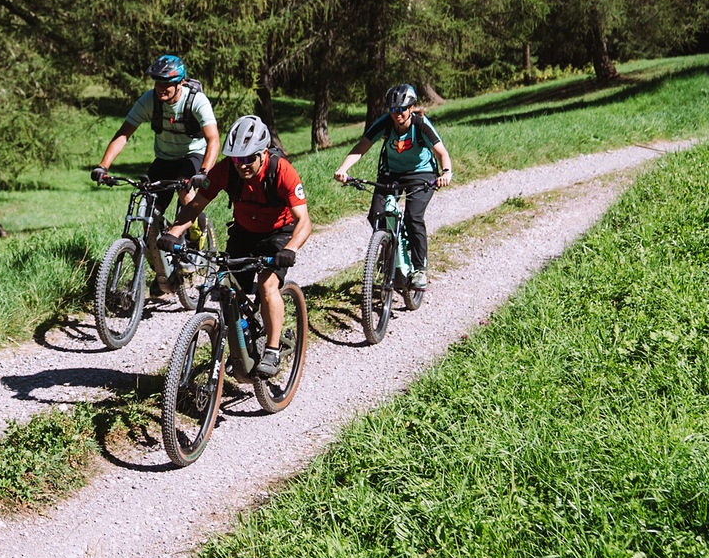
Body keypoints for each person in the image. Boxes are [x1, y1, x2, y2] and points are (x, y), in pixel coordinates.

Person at [167, 114, 312, 377]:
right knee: (227, 290)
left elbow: (304, 220)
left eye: (248, 159)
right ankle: (241, 346)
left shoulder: (282, 170)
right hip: (244, 231)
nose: (242, 165)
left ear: (263, 153)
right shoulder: (225, 170)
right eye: (236, 159)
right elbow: (197, 205)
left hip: (279, 233)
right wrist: (175, 232)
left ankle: (272, 348)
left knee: (268, 285)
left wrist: (290, 249)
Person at [92, 54, 221, 304]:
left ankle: (195, 240)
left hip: (192, 157)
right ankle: (163, 271)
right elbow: (124, 133)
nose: (160, 87)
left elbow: (213, 139)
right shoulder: (150, 100)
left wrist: (203, 172)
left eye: (166, 83)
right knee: (145, 210)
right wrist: (103, 165)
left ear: (180, 83)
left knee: (186, 193)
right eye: (157, 82)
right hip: (164, 160)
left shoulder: (196, 101)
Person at [333, 83, 452, 288]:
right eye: (393, 109)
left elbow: (442, 152)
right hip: (391, 173)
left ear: (411, 108)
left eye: (401, 110)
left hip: (421, 173)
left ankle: (419, 269)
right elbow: (362, 147)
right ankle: (388, 249)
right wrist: (343, 169)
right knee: (376, 214)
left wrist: (446, 172)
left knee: (413, 217)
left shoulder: (420, 124)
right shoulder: (385, 123)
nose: (397, 114)